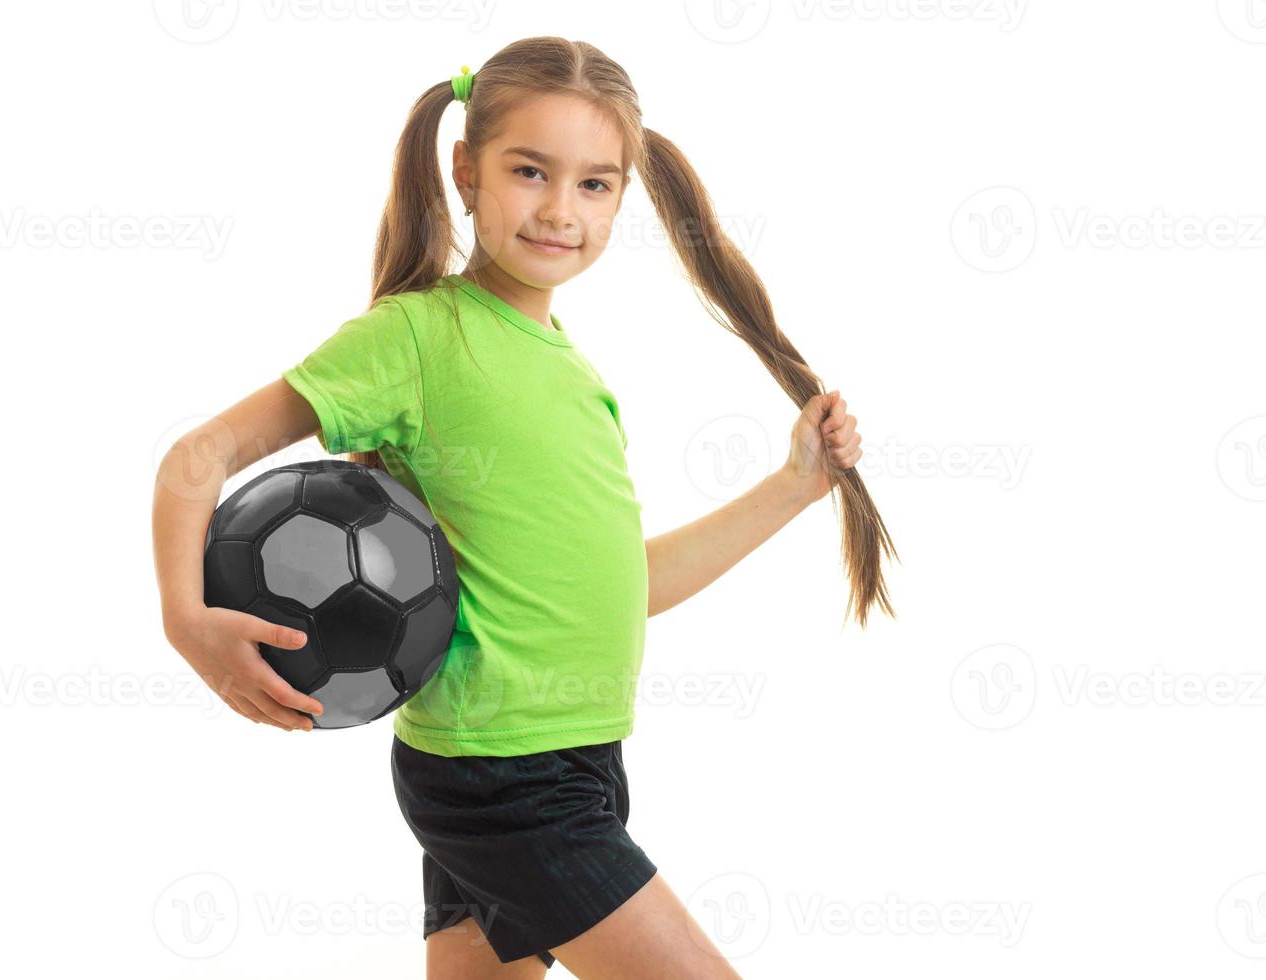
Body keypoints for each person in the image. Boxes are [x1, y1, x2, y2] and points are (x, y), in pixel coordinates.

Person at [153, 36, 894, 979]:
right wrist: (186, 620)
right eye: (529, 171)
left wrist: (796, 486)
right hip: (502, 777)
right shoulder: (419, 336)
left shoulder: (570, 368)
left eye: (595, 185)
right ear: (466, 171)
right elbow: (196, 457)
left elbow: (625, 587)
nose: (559, 209)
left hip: (576, 757)